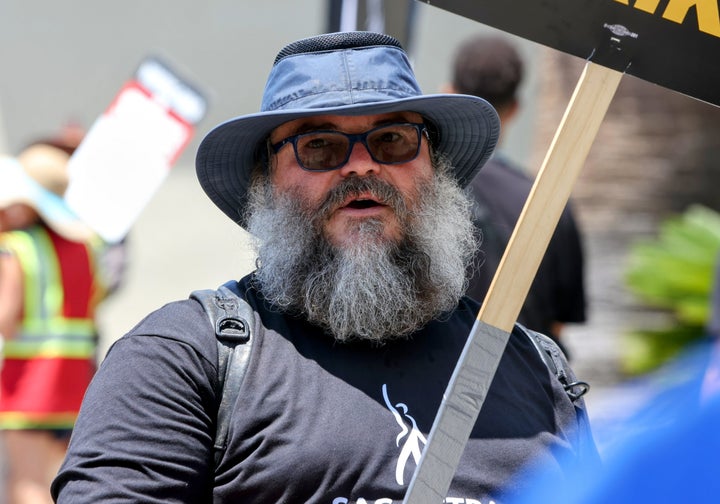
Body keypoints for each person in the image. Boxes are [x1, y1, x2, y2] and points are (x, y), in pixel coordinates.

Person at [51, 31, 600, 503]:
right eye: (319, 146)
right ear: (265, 180)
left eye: (392, 139)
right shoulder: (179, 360)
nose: (362, 164)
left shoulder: (533, 366)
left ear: (434, 165)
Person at [443, 34, 586, 353]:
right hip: (524, 384)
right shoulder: (548, 203)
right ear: (516, 108)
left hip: (429, 386)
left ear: (448, 94)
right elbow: (558, 323)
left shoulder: (419, 193)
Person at [0, 141, 112, 504]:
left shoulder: (16, 246)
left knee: (26, 483)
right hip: (76, 378)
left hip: (28, 381)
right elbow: (96, 300)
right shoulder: (87, 245)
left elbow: (6, 319)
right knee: (59, 482)